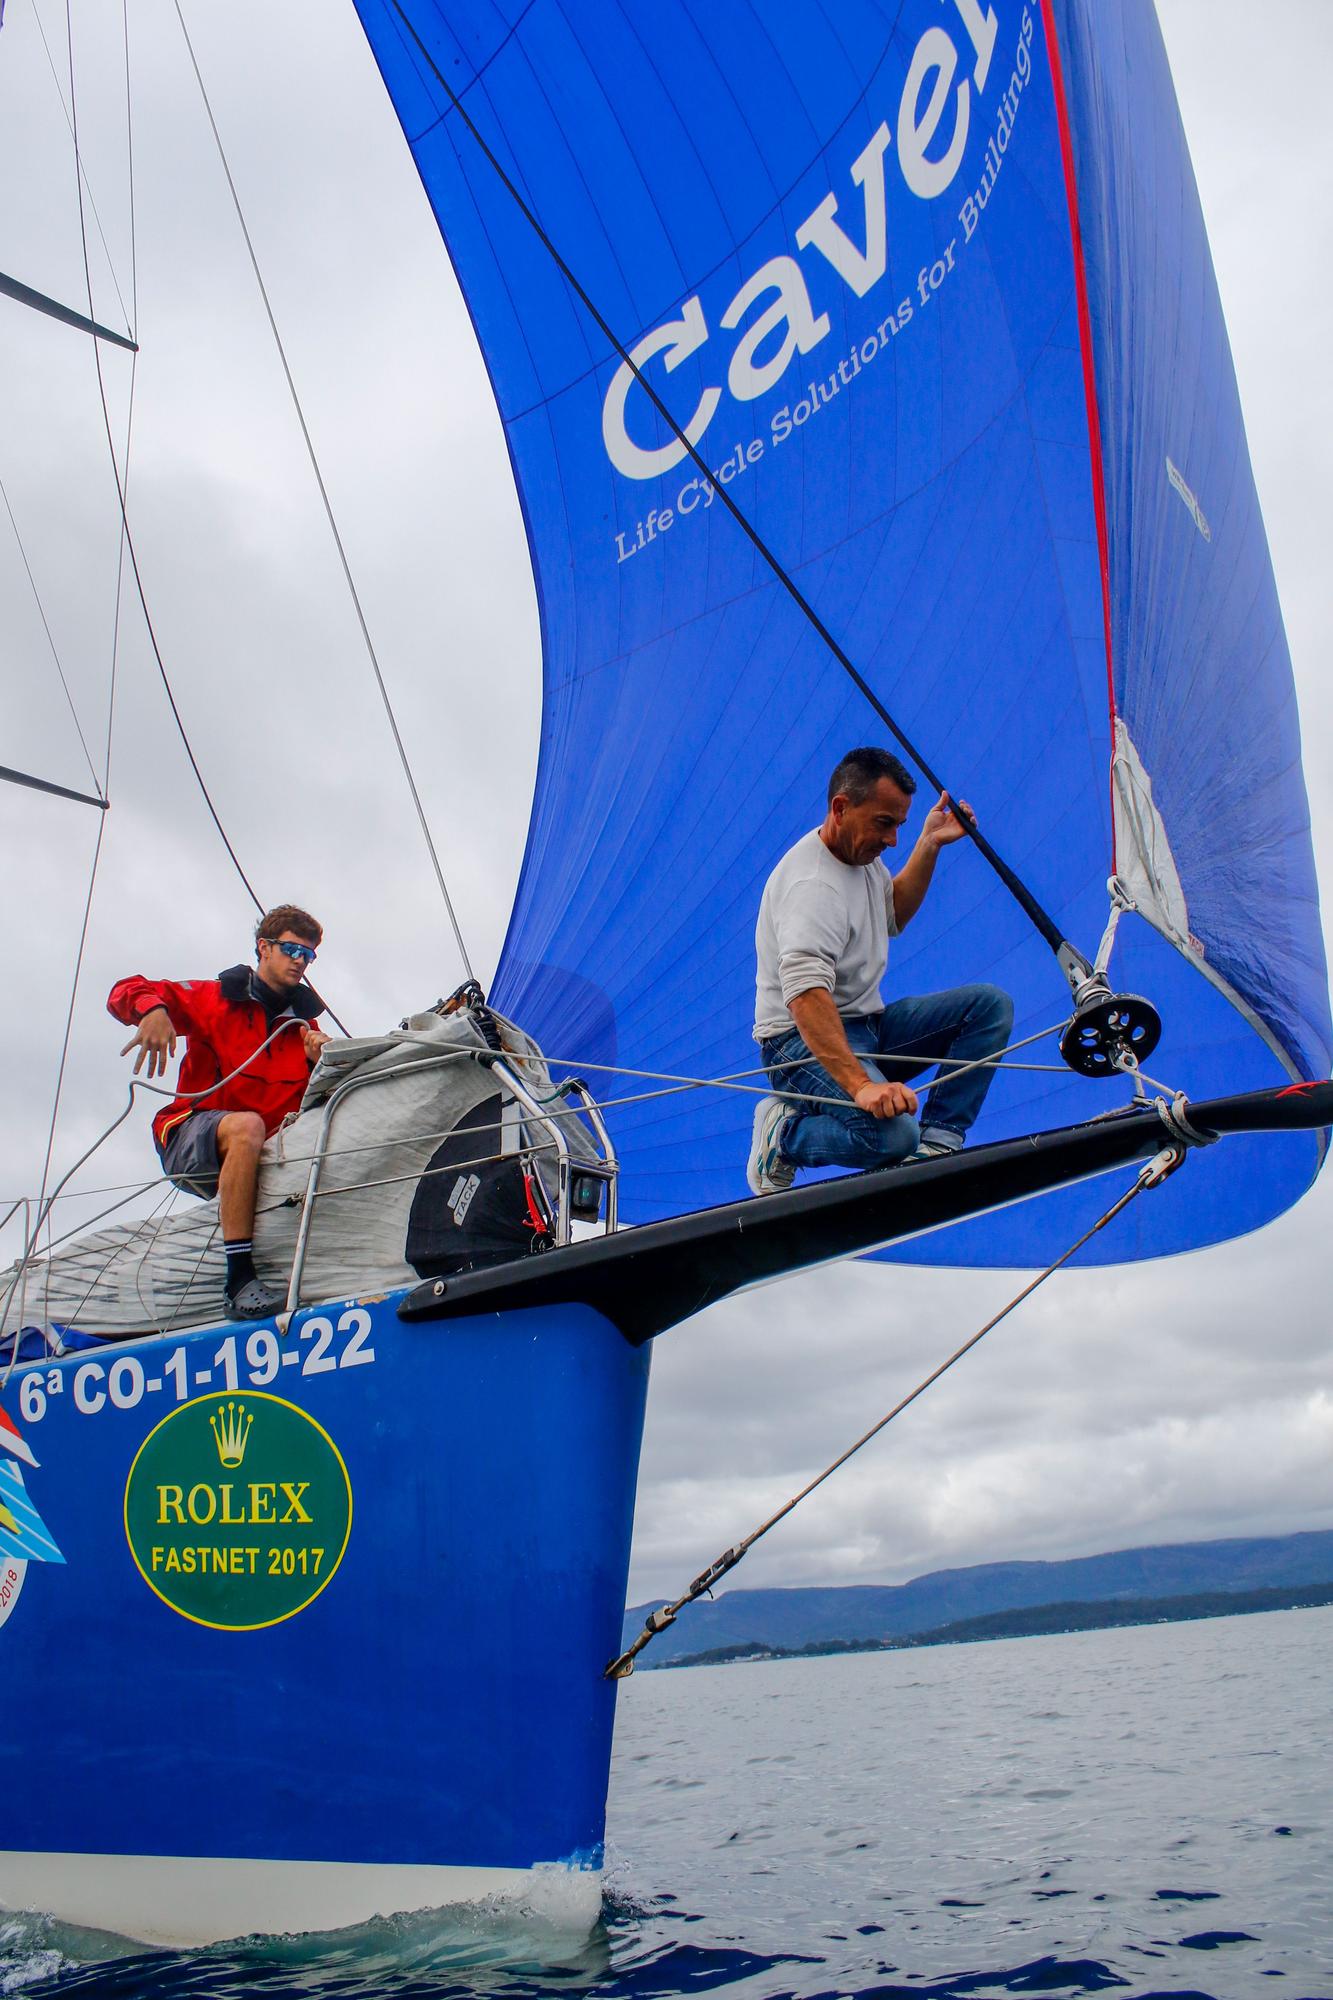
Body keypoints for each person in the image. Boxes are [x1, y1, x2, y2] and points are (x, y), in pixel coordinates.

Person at [748, 749, 1013, 1195]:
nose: (892, 840)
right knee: (890, 1136)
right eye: (884, 823)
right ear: (840, 808)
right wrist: (861, 1087)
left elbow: (891, 913)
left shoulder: (860, 857)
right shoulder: (811, 887)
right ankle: (784, 1135)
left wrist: (928, 844)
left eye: (900, 826)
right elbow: (806, 997)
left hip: (865, 1027)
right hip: (797, 1044)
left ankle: (938, 1146)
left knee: (989, 1007)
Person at [108, 905, 331, 1318]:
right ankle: (239, 1280)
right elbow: (127, 988)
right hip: (190, 1136)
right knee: (246, 1126)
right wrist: (153, 1011)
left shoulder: (304, 1029)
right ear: (264, 948)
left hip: (264, 1153)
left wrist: (322, 1064)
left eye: (309, 954)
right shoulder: (214, 999)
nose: (300, 961)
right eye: (291, 950)